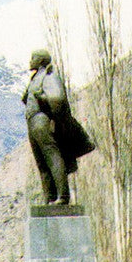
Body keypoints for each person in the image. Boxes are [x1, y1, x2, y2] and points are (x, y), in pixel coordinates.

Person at [22, 49, 95, 205]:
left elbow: (58, 97)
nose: (30, 61)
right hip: (32, 122)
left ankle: (63, 196)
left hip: (42, 120)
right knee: (41, 162)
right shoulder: (35, 79)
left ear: (41, 61)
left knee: (52, 156)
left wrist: (41, 98)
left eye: (33, 58)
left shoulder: (48, 76)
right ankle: (49, 197)